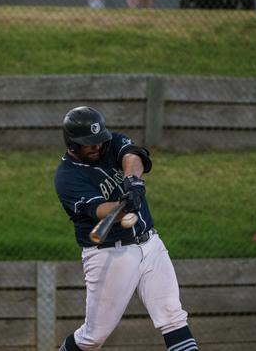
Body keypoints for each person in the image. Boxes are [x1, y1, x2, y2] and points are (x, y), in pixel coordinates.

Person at [54, 106, 198, 351]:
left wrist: (133, 182)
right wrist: (122, 208)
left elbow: (132, 156)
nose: (97, 146)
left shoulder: (108, 142)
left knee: (172, 316)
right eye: (89, 144)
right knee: (92, 338)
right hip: (110, 254)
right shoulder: (67, 177)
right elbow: (99, 211)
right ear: (72, 144)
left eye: (98, 141)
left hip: (150, 245)